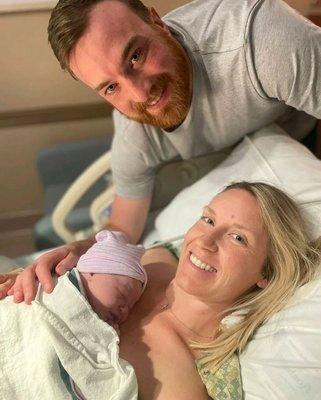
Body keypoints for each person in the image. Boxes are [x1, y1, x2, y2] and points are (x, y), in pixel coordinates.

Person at [9, 0, 321, 295]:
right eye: (111, 87)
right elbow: (123, 226)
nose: (140, 94)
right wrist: (79, 250)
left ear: (158, 23)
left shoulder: (261, 43)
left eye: (135, 57)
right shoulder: (135, 132)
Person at [3, 182, 320, 399]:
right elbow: (111, 243)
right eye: (208, 219)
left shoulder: (179, 384)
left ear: (265, 273)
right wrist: (70, 254)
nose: (204, 242)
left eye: (238, 238)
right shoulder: (155, 257)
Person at [0, 229, 147, 399]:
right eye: (122, 294)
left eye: (130, 306)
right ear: (91, 272)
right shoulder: (61, 288)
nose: (125, 310)